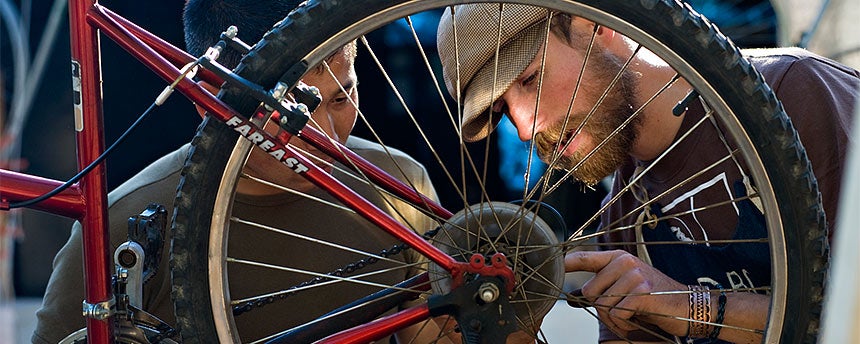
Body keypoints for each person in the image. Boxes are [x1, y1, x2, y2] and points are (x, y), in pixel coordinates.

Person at [435, 3, 858, 343]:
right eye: (502, 110)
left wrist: (689, 308)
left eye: (530, 79)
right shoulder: (622, 221)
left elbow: (849, 319)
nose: (526, 127)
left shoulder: (794, 94)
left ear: (594, 25)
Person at [33, 0, 446, 343]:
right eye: (291, 115)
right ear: (207, 101)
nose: (327, 135)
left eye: (342, 98)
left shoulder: (401, 187)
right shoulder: (122, 223)